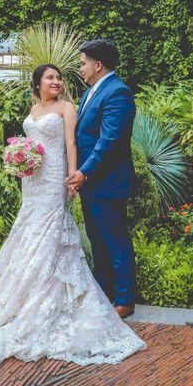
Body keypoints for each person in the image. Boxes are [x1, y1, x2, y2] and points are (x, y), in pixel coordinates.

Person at [0, 63, 146, 374]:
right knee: (32, 229)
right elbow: (31, 141)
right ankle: (25, 293)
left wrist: (72, 176)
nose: (57, 81)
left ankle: (102, 295)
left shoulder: (69, 106)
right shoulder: (33, 107)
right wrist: (20, 158)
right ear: (37, 83)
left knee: (56, 232)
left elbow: (71, 144)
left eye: (58, 77)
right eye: (50, 77)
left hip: (54, 179)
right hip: (33, 180)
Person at [66, 39, 137, 320]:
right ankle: (105, 292)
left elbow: (110, 141)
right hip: (92, 183)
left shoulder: (118, 92)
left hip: (108, 183)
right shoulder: (90, 93)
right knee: (97, 239)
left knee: (115, 240)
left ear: (98, 65)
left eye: (83, 62)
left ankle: (125, 299)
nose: (80, 67)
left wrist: (84, 171)